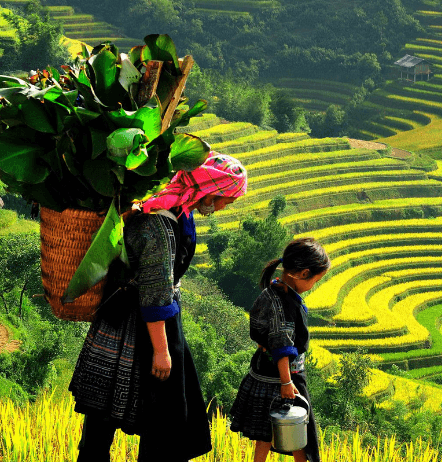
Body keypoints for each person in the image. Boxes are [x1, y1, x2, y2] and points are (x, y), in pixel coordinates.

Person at [68, 151, 247, 462]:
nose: (221, 208)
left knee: (111, 421)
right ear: (207, 189)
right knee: (130, 424)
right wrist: (162, 351)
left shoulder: (178, 210)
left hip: (135, 318)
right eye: (223, 200)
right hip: (136, 326)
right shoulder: (158, 223)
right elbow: (154, 292)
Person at [230, 238, 330, 462]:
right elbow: (281, 345)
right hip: (285, 379)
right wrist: (286, 383)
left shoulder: (271, 291)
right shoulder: (283, 302)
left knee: (266, 433)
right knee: (302, 437)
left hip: (262, 373)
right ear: (303, 273)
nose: (314, 285)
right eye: (315, 279)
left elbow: (260, 332)